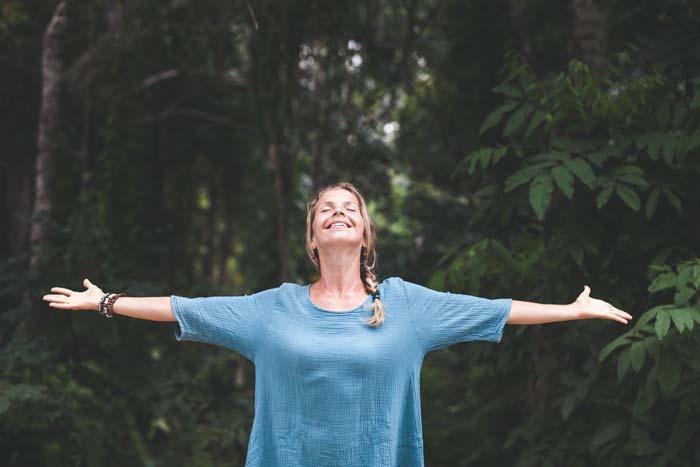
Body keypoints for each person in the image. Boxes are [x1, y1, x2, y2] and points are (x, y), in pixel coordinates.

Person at [42, 181, 632, 467]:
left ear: (366, 232)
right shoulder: (271, 309)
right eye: (326, 207)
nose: (338, 211)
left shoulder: (409, 306)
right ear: (313, 236)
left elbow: (494, 310)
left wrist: (572, 309)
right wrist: (106, 302)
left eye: (349, 206)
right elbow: (185, 307)